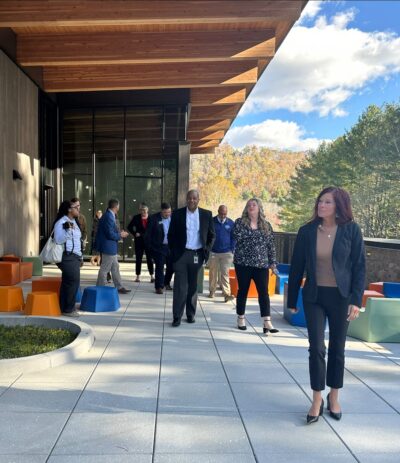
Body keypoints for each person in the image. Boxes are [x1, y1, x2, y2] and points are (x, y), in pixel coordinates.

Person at [287, 187, 366, 424]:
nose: (321, 205)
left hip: (341, 298)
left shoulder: (351, 230)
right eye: (320, 201)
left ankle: (334, 396)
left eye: (327, 202)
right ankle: (316, 398)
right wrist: (292, 299)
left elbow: (359, 266)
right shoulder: (307, 231)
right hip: (314, 296)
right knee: (316, 348)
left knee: (338, 349)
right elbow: (297, 266)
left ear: (339, 205)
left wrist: (356, 300)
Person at [168, 190, 215, 326]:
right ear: (186, 199)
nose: (191, 200)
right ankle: (177, 316)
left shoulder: (206, 214)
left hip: (197, 255)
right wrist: (174, 252)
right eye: (189, 198)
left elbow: (212, 235)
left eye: (194, 198)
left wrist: (206, 251)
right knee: (180, 287)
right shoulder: (177, 214)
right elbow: (171, 235)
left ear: (198, 199)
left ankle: (190, 314)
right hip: (181, 256)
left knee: (193, 286)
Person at [233, 198, 278, 333]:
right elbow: (238, 237)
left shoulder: (266, 225)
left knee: (263, 292)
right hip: (243, 263)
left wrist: (273, 263)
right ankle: (241, 317)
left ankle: (267, 321)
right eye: (249, 205)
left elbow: (271, 246)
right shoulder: (240, 223)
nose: (251, 206)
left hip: (261, 264)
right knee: (243, 290)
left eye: (254, 205)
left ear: (259, 208)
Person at [53, 199, 83, 317]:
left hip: (75, 256)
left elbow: (77, 241)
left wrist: (80, 256)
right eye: (76, 207)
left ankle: (63, 307)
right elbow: (58, 239)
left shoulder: (75, 221)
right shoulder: (61, 222)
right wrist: (68, 230)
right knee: (73, 282)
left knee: (67, 282)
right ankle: (69, 309)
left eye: (79, 206)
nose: (78, 209)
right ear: (69, 209)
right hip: (67, 256)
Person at [95, 198, 131, 294]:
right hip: (108, 247)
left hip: (110, 247)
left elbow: (110, 230)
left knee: (115, 267)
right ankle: (99, 288)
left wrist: (119, 232)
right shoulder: (108, 216)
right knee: (105, 269)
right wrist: (121, 235)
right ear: (116, 207)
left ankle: (119, 287)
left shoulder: (110, 215)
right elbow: (109, 234)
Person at [145, 202, 174, 294]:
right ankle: (159, 287)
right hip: (158, 247)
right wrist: (150, 249)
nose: (167, 214)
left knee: (171, 267)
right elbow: (148, 235)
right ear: (161, 211)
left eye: (169, 212)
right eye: (165, 212)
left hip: (170, 247)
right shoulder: (154, 218)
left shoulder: (173, 218)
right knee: (160, 267)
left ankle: (166, 282)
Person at [208, 205, 235, 302]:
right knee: (213, 272)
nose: (223, 216)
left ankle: (226, 294)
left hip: (227, 253)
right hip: (213, 252)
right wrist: (208, 247)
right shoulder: (211, 221)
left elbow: (234, 237)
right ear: (218, 211)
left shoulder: (231, 223)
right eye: (221, 213)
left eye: (225, 214)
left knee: (225, 273)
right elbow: (207, 235)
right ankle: (212, 291)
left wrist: (232, 249)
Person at [127, 203, 155, 283]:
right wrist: (135, 233)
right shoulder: (136, 217)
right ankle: (138, 276)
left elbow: (153, 229)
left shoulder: (151, 218)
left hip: (149, 242)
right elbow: (129, 227)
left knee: (150, 259)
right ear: (140, 211)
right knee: (138, 259)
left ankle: (152, 276)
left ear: (147, 210)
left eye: (145, 210)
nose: (143, 212)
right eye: (142, 210)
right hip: (139, 241)